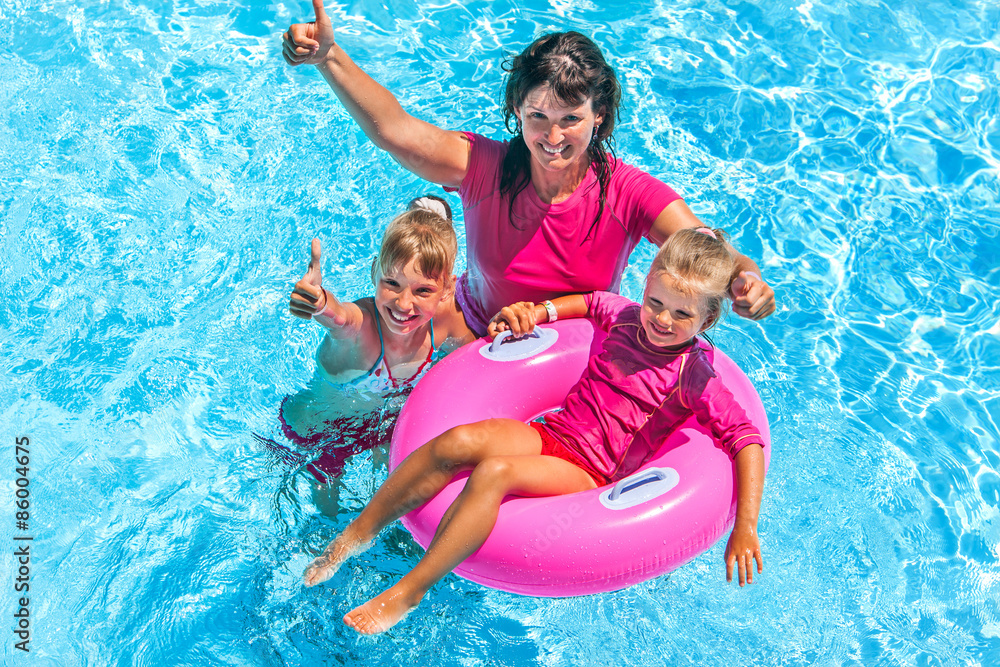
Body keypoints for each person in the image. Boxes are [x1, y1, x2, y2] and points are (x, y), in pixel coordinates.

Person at [303, 227, 767, 634]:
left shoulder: (694, 375)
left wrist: (744, 527)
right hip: (554, 434)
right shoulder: (623, 316)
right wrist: (537, 313)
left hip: (592, 473)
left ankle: (410, 590)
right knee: (458, 441)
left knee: (496, 472)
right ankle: (354, 536)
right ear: (644, 289)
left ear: (706, 321)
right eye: (656, 303)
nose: (662, 320)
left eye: (681, 315)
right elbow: (588, 302)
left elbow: (746, 438)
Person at [281, 5, 777, 336]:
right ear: (516, 107)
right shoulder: (485, 168)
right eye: (537, 117)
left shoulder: (626, 193)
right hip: (477, 331)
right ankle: (434, 218)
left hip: (571, 347)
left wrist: (746, 279)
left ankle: (435, 214)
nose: (553, 138)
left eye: (571, 120)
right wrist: (330, 59)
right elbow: (397, 130)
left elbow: (709, 249)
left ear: (599, 115)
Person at [276, 195, 474, 489]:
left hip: (378, 429)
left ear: (446, 289)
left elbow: (480, 360)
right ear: (374, 273)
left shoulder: (443, 325)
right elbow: (340, 317)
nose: (404, 304)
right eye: (391, 283)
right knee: (323, 514)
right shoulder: (362, 327)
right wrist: (318, 303)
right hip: (315, 434)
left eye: (423, 290)